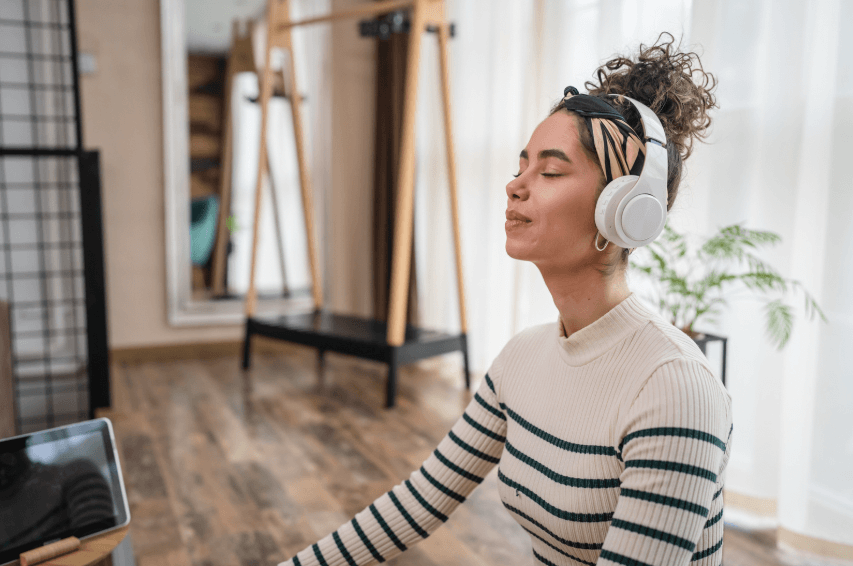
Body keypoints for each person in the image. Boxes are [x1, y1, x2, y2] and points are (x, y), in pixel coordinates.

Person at [277, 31, 732, 566]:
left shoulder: (674, 388)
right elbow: (419, 502)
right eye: (521, 167)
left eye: (552, 170)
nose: (515, 186)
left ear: (624, 209)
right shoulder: (522, 357)